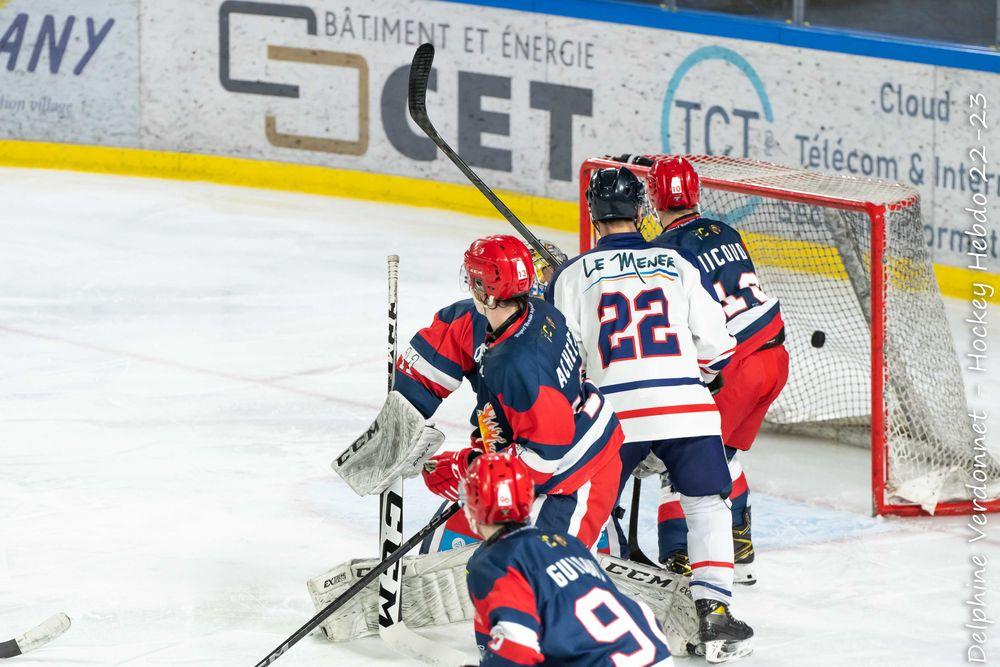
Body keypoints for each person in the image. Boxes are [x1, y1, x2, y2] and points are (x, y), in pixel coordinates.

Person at [546, 166, 753, 663]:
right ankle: (714, 615)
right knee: (707, 506)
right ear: (641, 211)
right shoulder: (677, 262)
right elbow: (719, 346)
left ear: (593, 215)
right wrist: (696, 374)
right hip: (687, 410)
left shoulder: (571, 275)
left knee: (588, 512)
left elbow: (562, 362)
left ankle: (576, 615)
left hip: (613, 416)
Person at [416, 234, 624, 549]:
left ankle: (598, 552)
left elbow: (543, 460)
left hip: (577, 476)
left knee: (535, 562)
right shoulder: (539, 312)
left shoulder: (516, 363)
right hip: (568, 453)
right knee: (466, 542)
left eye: (473, 281)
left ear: (486, 292)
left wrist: (469, 469)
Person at [644, 155, 789, 586]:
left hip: (737, 366)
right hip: (775, 355)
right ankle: (740, 551)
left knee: (684, 460)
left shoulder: (664, 251)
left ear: (653, 200)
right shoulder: (727, 231)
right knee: (724, 455)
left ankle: (679, 559)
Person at [463, 451, 673, 666]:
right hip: (656, 654)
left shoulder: (493, 562)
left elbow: (517, 649)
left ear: (471, 507)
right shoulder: (567, 542)